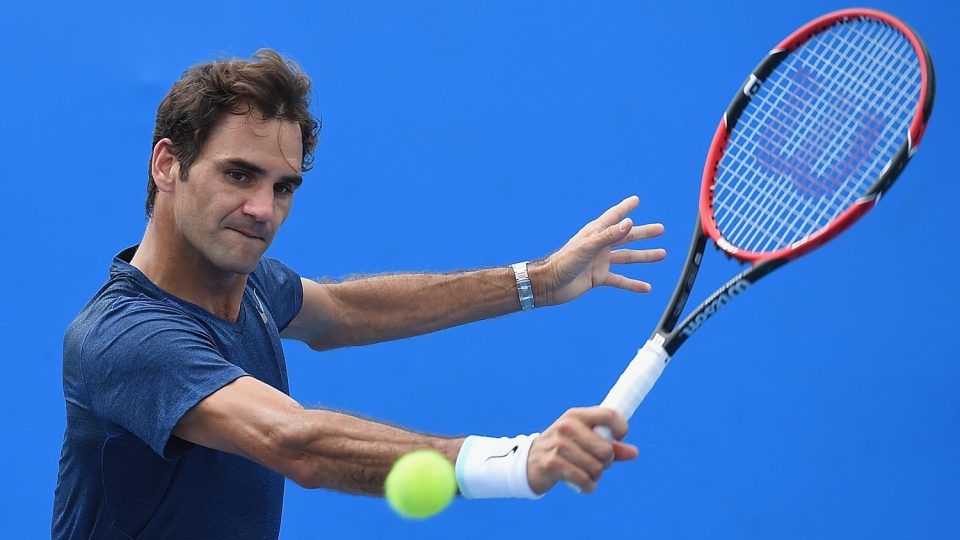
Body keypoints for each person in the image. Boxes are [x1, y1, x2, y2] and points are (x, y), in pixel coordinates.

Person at [52, 49, 666, 538]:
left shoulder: (250, 285)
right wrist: (512, 463)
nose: (263, 209)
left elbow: (345, 311)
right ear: (167, 165)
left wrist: (537, 280)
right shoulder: (127, 339)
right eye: (239, 174)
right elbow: (297, 442)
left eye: (284, 186)